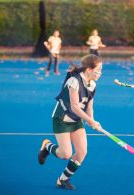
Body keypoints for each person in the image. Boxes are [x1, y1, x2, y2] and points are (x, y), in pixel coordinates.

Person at [38, 54, 103, 190]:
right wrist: (90, 120)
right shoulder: (74, 81)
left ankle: (63, 179)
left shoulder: (93, 85)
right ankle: (47, 146)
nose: (100, 73)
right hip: (62, 119)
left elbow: (89, 106)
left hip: (76, 120)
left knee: (81, 152)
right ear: (89, 69)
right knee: (65, 154)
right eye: (98, 70)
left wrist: (92, 121)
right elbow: (74, 106)